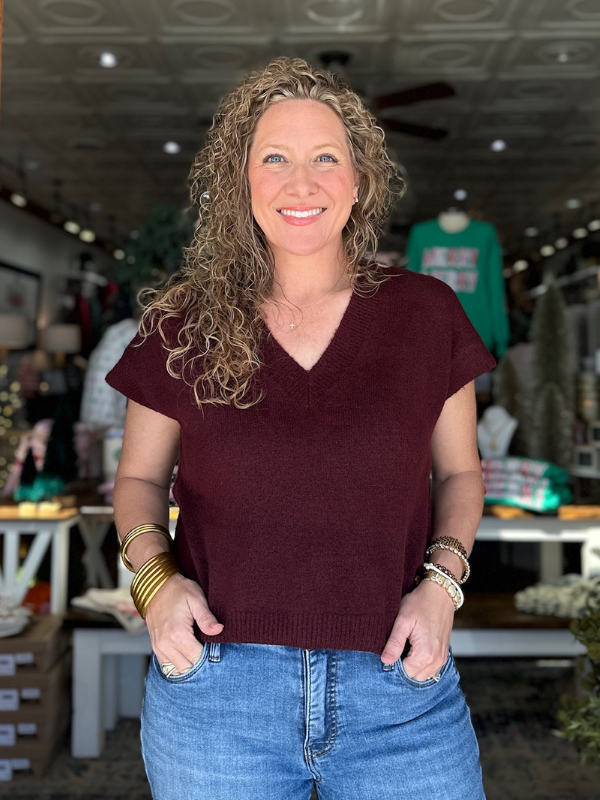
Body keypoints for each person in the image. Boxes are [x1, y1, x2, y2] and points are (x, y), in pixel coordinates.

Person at [106, 57, 496, 800]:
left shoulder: (426, 314)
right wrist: (156, 586)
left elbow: (460, 473)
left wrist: (442, 586)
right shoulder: (182, 325)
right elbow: (139, 481)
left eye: (325, 158)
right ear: (241, 180)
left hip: (398, 684)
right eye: (275, 158)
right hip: (218, 691)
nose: (301, 182)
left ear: (360, 180)